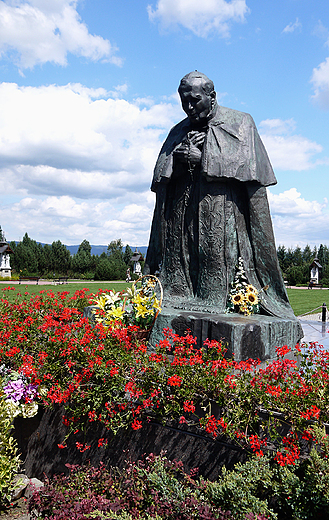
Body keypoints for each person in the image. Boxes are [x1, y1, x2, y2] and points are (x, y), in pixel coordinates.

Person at [144, 71, 297, 322]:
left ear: (211, 96)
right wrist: (179, 161)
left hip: (222, 212)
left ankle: (216, 299)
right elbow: (161, 175)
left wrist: (202, 157)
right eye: (184, 101)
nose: (189, 107)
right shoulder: (178, 131)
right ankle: (178, 293)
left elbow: (248, 167)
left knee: (216, 261)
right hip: (183, 217)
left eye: (195, 100)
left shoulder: (240, 122)